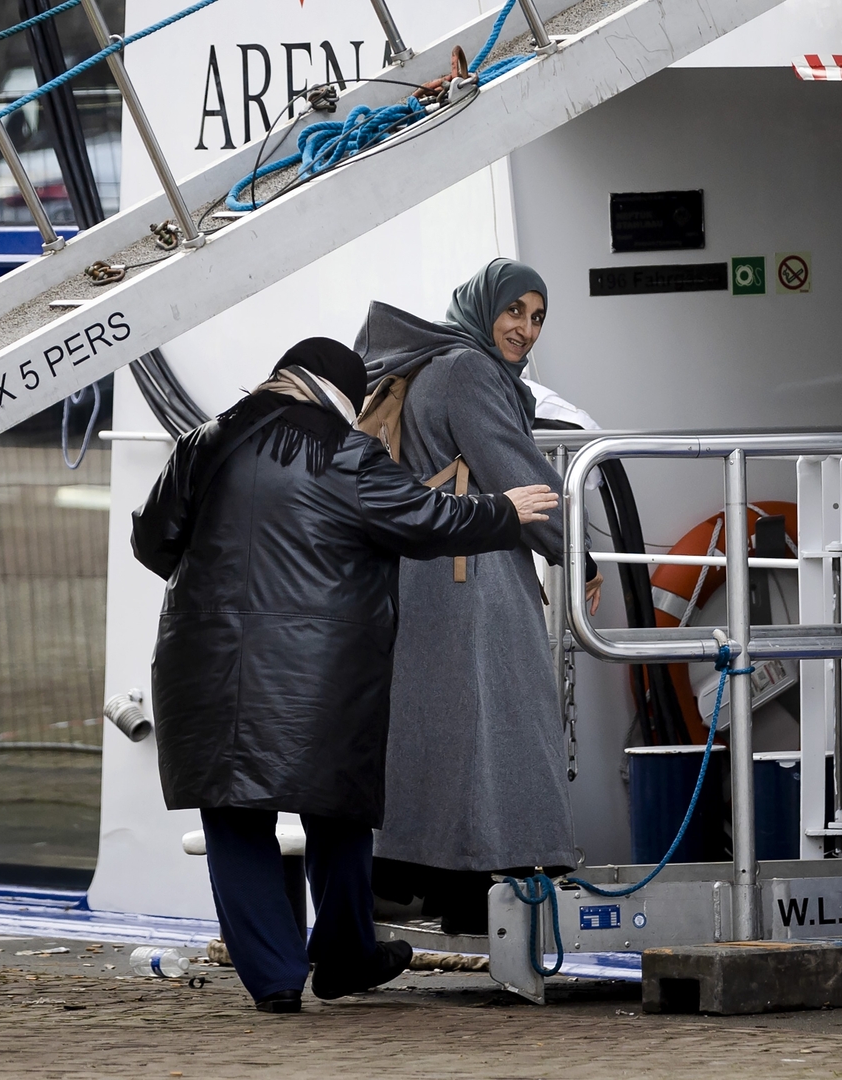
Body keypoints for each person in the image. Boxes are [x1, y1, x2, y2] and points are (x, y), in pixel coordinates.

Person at [131, 337, 558, 1011]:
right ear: (341, 393)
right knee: (336, 806)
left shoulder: (200, 443)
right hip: (319, 669)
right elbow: (426, 518)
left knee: (234, 816)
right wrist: (505, 511)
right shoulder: (346, 455)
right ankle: (344, 953)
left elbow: (151, 540)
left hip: (201, 664)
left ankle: (274, 980)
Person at [356, 259, 602, 934]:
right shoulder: (468, 370)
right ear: (482, 307)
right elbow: (515, 473)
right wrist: (579, 556)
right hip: (470, 576)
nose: (525, 329)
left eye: (537, 316)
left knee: (449, 737)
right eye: (514, 311)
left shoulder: (432, 363)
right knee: (501, 728)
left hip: (425, 569)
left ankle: (445, 887)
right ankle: (495, 880)